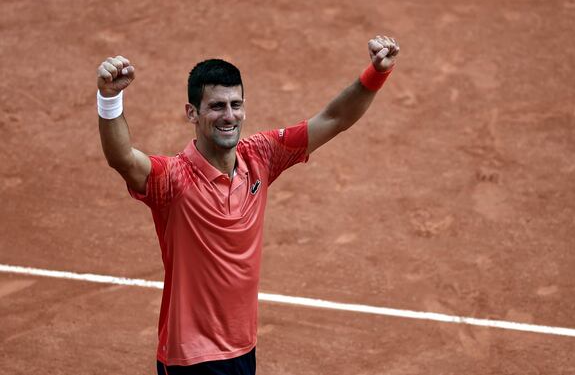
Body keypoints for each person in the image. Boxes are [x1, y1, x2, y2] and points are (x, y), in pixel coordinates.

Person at [96, 36, 400, 374]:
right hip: (191, 356)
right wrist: (110, 98)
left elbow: (333, 119)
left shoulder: (261, 155)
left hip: (242, 348)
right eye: (216, 106)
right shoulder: (173, 179)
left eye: (235, 104)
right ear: (192, 113)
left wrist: (376, 73)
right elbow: (122, 158)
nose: (229, 116)